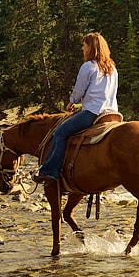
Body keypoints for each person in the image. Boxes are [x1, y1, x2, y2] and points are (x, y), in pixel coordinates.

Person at [39, 32, 119, 190]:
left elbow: (79, 90)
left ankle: (50, 171)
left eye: (85, 45)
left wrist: (72, 101)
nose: (83, 48)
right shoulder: (112, 68)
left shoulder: (88, 66)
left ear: (92, 47)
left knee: (60, 133)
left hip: (93, 113)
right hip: (112, 113)